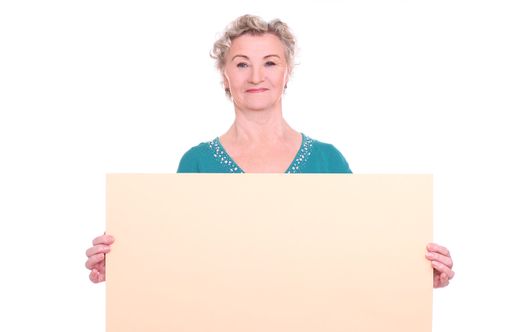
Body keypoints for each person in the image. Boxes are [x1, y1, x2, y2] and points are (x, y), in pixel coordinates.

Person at [85, 14, 454, 288]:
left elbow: (356, 257)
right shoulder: (196, 163)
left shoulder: (328, 161)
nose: (257, 77)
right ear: (225, 76)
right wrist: (123, 266)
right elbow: (181, 263)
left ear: (287, 72)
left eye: (270, 63)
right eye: (242, 64)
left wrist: (417, 275)